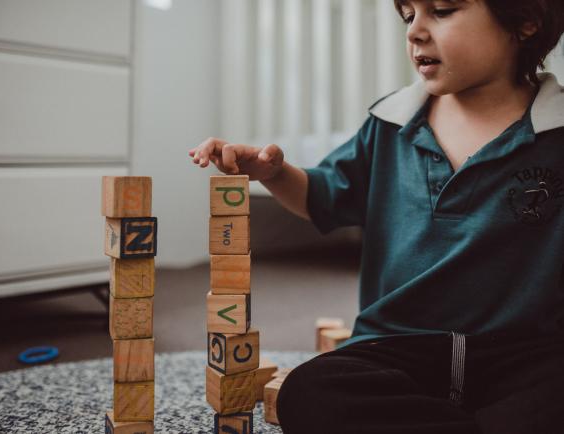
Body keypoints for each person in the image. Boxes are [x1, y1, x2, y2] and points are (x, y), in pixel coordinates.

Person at [189, 0, 564, 432]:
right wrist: (273, 173)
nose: (415, 31)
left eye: (441, 10)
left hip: (520, 354)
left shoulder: (556, 134)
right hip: (397, 347)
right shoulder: (389, 122)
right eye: (408, 15)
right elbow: (322, 196)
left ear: (525, 22)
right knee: (309, 392)